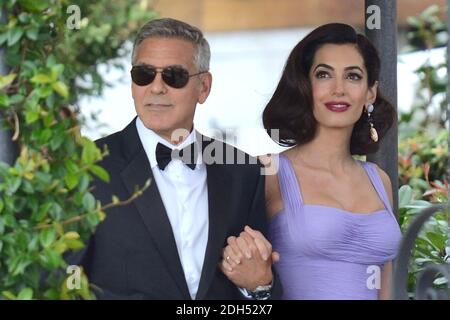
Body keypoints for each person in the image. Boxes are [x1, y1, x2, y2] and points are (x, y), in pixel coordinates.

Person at [69, 18, 282, 300]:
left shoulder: (243, 171)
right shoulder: (89, 166)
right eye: (144, 74)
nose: (157, 87)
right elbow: (60, 281)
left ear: (203, 87)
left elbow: (259, 281)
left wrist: (260, 286)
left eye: (174, 76)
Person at [220, 23, 402, 300]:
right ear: (305, 85)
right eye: (324, 74)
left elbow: (385, 287)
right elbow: (230, 273)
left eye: (353, 76)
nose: (338, 89)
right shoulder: (266, 172)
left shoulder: (379, 180)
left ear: (370, 93)